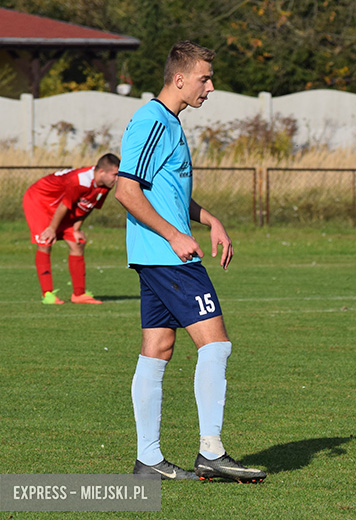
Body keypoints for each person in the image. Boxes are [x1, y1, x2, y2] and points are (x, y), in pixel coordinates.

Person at [115, 40, 266, 482]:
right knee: (216, 344)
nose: (210, 86)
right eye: (204, 78)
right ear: (179, 79)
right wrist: (176, 234)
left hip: (156, 255)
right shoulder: (151, 121)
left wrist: (208, 218)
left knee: (157, 349)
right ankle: (211, 452)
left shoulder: (169, 122)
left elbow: (165, 191)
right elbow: (127, 191)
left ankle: (148, 461)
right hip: (168, 258)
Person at [23, 154, 120, 305]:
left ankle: (79, 294)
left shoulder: (105, 185)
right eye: (115, 175)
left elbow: (87, 207)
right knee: (45, 241)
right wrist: (52, 229)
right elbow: (64, 205)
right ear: (102, 172)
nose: (117, 179)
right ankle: (48, 294)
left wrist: (76, 228)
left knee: (78, 242)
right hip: (40, 200)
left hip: (61, 206)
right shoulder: (79, 181)